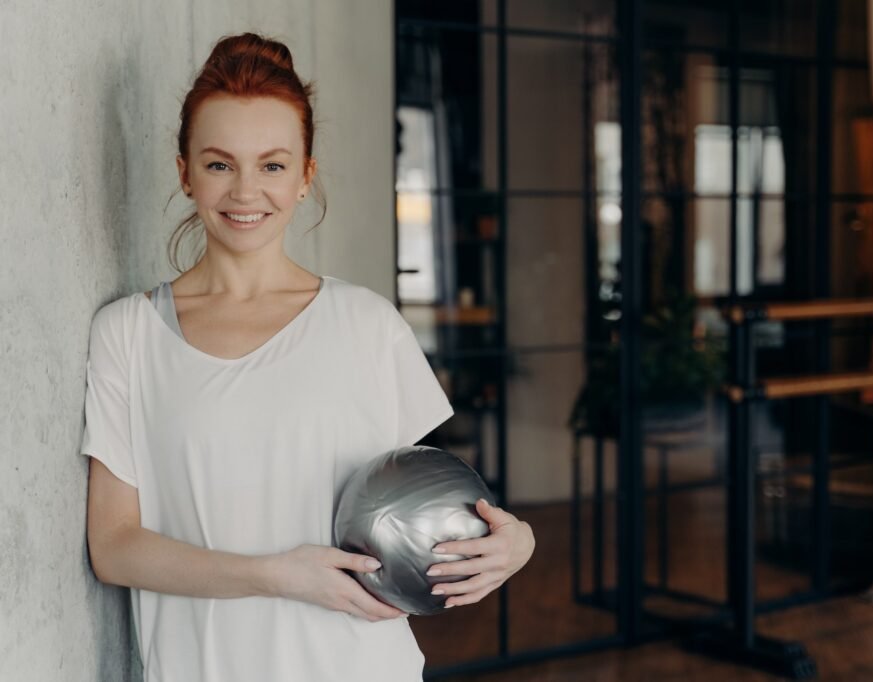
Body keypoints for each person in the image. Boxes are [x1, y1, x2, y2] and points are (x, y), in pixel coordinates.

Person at [80, 32, 535, 681]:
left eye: (271, 165)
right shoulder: (127, 334)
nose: (245, 191)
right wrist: (274, 575)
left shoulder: (367, 325)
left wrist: (516, 541)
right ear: (184, 171)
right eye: (218, 164)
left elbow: (433, 503)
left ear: (304, 176)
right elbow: (114, 547)